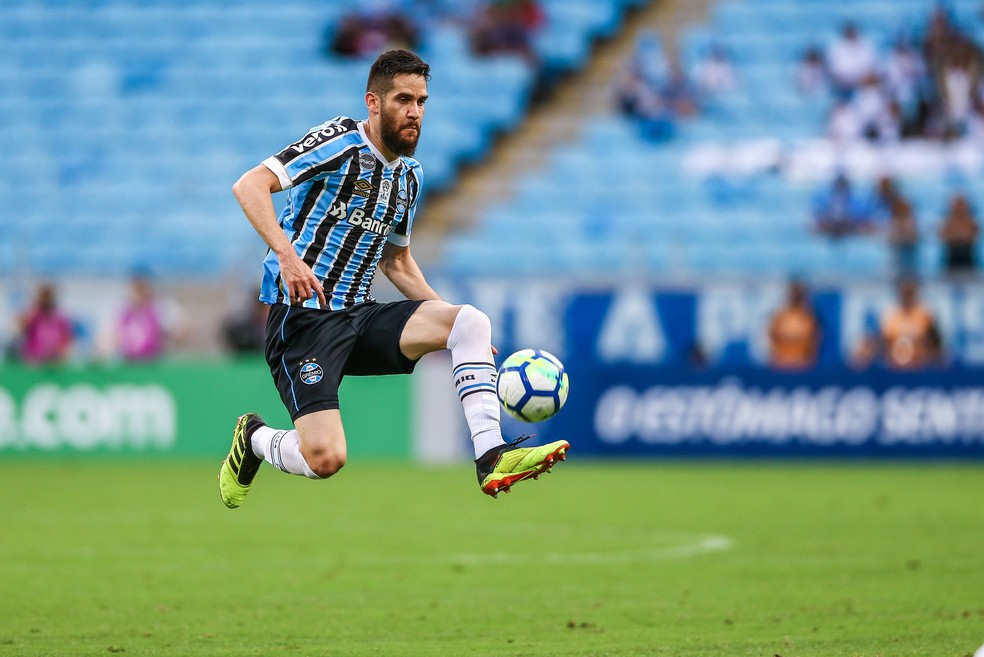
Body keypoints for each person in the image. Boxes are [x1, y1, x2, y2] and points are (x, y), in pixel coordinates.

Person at [218, 50, 568, 509]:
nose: (414, 112)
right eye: (404, 99)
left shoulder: (408, 176)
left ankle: (491, 456)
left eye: (422, 101)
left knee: (471, 322)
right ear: (374, 102)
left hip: (359, 317)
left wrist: (450, 322)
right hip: (303, 321)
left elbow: (397, 262)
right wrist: (287, 256)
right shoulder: (340, 141)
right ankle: (256, 437)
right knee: (326, 459)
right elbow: (249, 185)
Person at [880, 277, 942, 370]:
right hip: (896, 365)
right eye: (905, 293)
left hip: (921, 365)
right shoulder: (891, 315)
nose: (907, 296)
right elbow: (885, 344)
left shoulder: (924, 314)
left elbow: (936, 342)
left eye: (910, 292)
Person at [767, 279, 822, 370]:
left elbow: (816, 342)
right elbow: (771, 340)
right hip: (781, 366)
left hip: (803, 367)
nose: (796, 296)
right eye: (794, 293)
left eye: (799, 293)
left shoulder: (809, 319)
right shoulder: (780, 318)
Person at [16, 282, 74, 365]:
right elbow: (22, 330)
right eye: (44, 297)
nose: (47, 301)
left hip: (55, 359)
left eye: (49, 297)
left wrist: (58, 351)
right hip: (34, 358)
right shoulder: (34, 315)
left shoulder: (61, 318)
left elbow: (67, 338)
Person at [938, 192, 979, 273]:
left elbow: (975, 237)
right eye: (957, 205)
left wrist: (959, 236)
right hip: (952, 258)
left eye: (961, 205)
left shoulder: (971, 222)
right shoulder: (947, 222)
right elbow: (942, 237)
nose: (959, 208)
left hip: (968, 258)